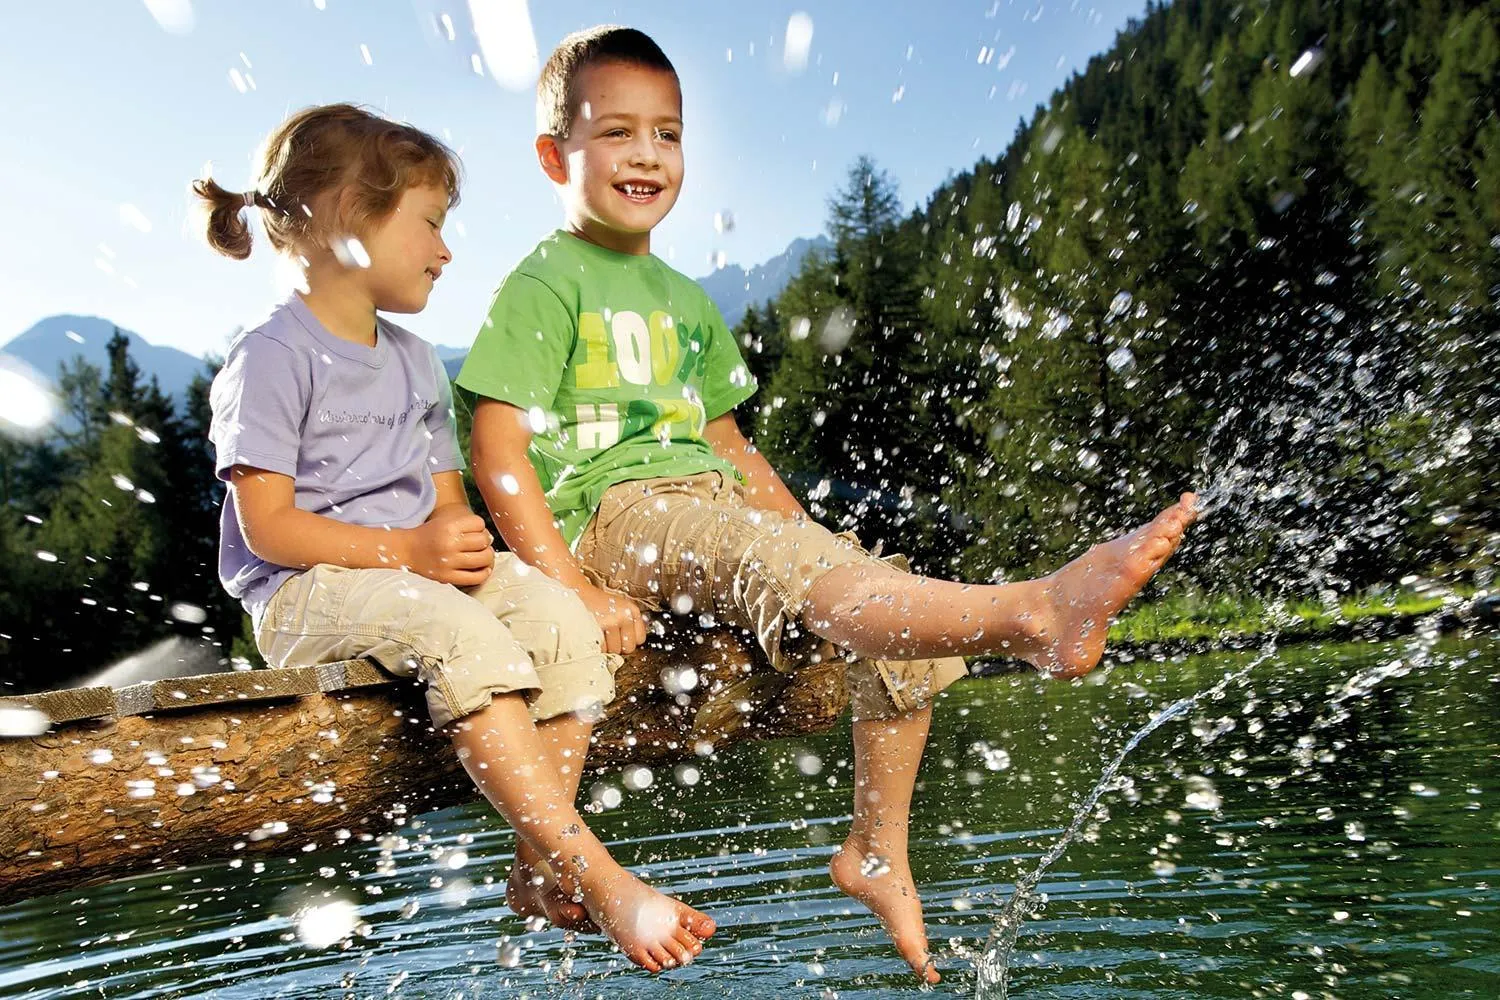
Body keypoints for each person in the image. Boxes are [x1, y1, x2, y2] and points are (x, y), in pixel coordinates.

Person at [458, 27, 1198, 985]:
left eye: (668, 134)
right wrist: (566, 590)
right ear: (556, 156)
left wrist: (814, 546)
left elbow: (730, 448)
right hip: (616, 516)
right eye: (616, 133)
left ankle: (878, 848)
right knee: (800, 569)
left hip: (708, 503)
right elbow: (496, 450)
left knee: (877, 592)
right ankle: (1031, 612)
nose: (647, 154)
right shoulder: (543, 284)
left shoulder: (684, 298)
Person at [197, 102, 715, 975]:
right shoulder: (273, 357)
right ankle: (595, 874)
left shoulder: (416, 359)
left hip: (416, 579)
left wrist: (455, 545)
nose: (445, 250)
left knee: (559, 621)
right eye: (430, 224)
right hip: (304, 593)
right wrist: (413, 555)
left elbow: (446, 509)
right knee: (463, 634)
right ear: (345, 218)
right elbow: (269, 528)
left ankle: (538, 866)